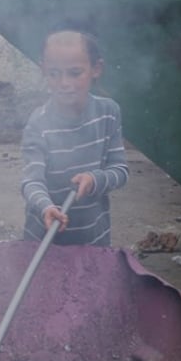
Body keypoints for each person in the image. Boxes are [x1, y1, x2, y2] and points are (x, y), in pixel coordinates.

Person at [21, 30, 129, 247]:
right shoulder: (38, 124)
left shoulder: (108, 112)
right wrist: (46, 207)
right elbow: (31, 182)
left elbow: (120, 171)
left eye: (74, 73)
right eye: (54, 73)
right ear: (43, 70)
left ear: (96, 69)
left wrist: (94, 179)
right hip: (43, 241)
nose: (64, 83)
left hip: (93, 239)